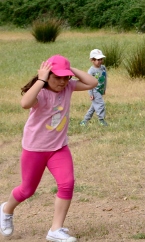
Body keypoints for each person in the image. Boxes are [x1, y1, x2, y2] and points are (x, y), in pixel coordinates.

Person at [1, 55, 98, 242]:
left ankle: (55, 229)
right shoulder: (41, 91)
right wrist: (41, 79)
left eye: (65, 77)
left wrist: (69, 69)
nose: (62, 82)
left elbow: (92, 82)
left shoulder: (69, 86)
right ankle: (6, 209)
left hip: (58, 148)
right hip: (34, 149)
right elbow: (25, 103)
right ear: (47, 75)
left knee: (67, 183)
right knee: (26, 190)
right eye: (57, 77)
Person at [80, 49, 108, 127]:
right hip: (95, 91)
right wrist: (90, 93)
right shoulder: (91, 71)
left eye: (101, 59)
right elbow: (88, 83)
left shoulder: (103, 68)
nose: (100, 61)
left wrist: (104, 89)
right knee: (100, 104)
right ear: (92, 60)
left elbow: (105, 79)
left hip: (100, 90)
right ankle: (101, 120)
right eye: (98, 60)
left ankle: (85, 121)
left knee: (94, 106)